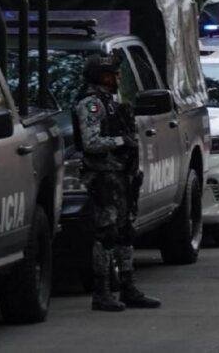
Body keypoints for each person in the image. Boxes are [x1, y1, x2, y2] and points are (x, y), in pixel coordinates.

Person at [74, 53, 161, 312]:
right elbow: (91, 143)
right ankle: (101, 291)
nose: (117, 78)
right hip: (103, 177)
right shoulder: (91, 104)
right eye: (112, 74)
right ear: (100, 76)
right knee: (106, 233)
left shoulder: (110, 102)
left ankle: (127, 286)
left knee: (125, 232)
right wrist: (122, 142)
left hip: (121, 175)